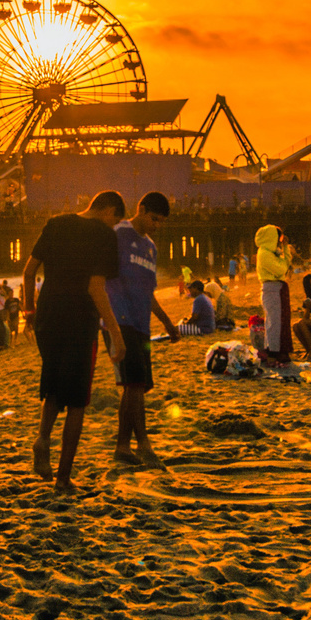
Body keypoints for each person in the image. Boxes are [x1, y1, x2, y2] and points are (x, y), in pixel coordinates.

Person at [22, 189, 127, 494]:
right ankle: (63, 479)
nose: (114, 227)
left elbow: (29, 271)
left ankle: (42, 439)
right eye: (115, 220)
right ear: (109, 210)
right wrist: (115, 334)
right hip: (79, 319)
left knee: (55, 382)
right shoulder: (104, 236)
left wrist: (29, 310)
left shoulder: (56, 222)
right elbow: (97, 288)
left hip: (47, 316)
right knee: (78, 399)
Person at [108, 192, 179, 470]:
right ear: (141, 209)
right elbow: (99, 277)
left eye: (161, 223)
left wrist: (167, 322)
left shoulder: (151, 247)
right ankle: (144, 445)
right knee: (135, 383)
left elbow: (149, 293)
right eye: (154, 219)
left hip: (141, 325)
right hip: (118, 320)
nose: (156, 226)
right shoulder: (117, 235)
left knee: (136, 385)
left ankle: (123, 447)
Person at [254, 224, 294, 363]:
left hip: (277, 288)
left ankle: (277, 350)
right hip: (272, 288)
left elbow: (285, 264)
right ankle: (274, 352)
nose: (279, 241)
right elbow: (281, 269)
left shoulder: (270, 252)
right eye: (278, 237)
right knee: (274, 322)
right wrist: (284, 255)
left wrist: (285, 249)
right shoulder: (264, 253)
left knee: (279, 320)